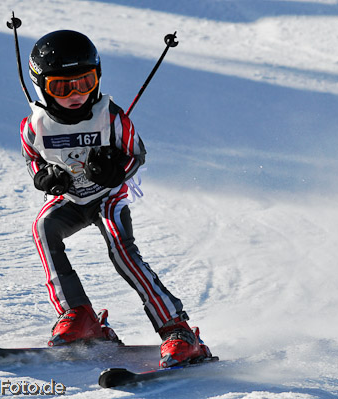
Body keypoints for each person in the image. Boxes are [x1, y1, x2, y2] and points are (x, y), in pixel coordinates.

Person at [19, 30, 211, 368]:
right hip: (73, 199)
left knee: (121, 248)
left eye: (85, 81)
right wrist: (44, 177)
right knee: (44, 228)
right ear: (41, 86)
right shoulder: (34, 126)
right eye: (62, 87)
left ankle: (178, 330)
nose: (77, 94)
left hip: (108, 196)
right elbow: (33, 157)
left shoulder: (110, 118)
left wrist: (115, 170)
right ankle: (78, 314)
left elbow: (136, 153)